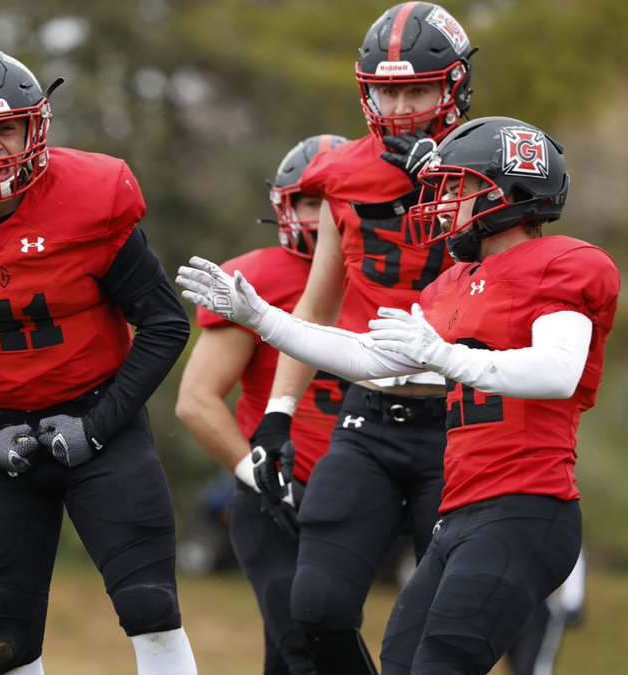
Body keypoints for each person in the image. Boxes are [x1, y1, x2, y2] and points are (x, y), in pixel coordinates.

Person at [178, 115, 618, 674]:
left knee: (440, 663)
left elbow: (557, 371)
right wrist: (263, 318)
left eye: (457, 187)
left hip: (526, 506)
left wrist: (446, 357)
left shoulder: (565, 263)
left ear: (508, 190)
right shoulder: (452, 283)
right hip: (460, 512)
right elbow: (368, 360)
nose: (442, 203)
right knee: (400, 660)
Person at [0, 50, 197, 675]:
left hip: (103, 422)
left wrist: (98, 426)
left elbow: (163, 324)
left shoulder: (92, 194)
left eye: (7, 128)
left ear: (36, 127)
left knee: (150, 605)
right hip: (1, 437)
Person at [236, 4, 475, 672]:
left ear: (451, 88)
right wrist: (277, 415)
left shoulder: (490, 156)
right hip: (367, 416)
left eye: (417, 88)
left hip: (461, 418)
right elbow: (317, 301)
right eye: (386, 89)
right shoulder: (342, 171)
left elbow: (509, 283)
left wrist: (447, 179)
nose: (399, 106)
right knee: (315, 606)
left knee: (442, 624)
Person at [174, 134, 348, 675]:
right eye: (309, 201)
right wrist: (258, 475)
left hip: (364, 494)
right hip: (277, 496)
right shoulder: (262, 277)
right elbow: (197, 401)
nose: (323, 217)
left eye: (335, 201)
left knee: (296, 652)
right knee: (306, 644)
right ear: (285, 207)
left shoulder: (388, 274)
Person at [506, 550, 586, 675]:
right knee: (517, 667)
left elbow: (573, 552)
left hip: (541, 607)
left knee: (533, 668)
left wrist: (572, 601)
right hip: (507, 605)